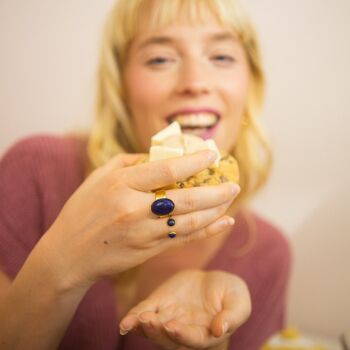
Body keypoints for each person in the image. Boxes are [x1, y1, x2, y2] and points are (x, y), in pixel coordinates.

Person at [0, 0, 291, 349]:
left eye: (221, 57)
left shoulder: (268, 253)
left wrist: (212, 341)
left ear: (250, 83)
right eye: (160, 59)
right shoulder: (36, 170)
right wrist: (64, 262)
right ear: (121, 84)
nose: (195, 82)